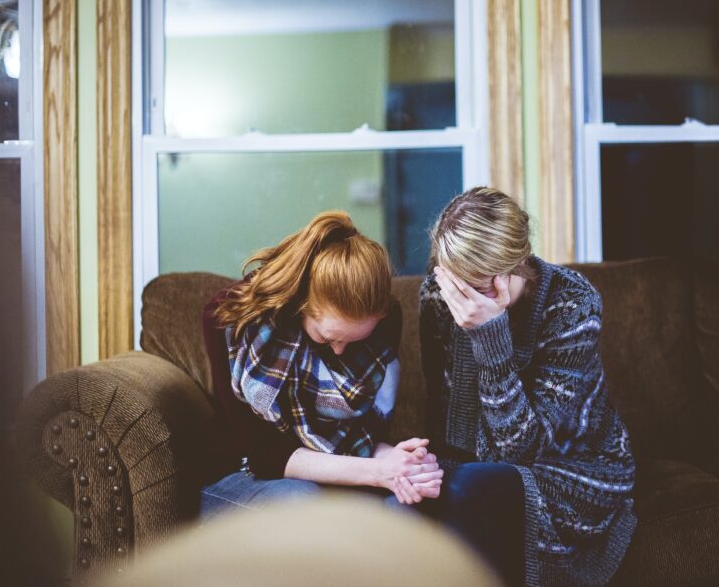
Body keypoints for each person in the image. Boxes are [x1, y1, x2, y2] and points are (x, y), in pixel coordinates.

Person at [419, 187, 637, 587]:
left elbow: (519, 451)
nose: (462, 302)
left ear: (516, 266)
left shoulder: (572, 304)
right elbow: (445, 415)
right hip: (476, 467)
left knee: (473, 488)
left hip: (574, 467)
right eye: (455, 284)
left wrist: (491, 336)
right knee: (420, 495)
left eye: (477, 287)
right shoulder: (438, 296)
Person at [201, 211, 442, 515]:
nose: (340, 351)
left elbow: (363, 440)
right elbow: (264, 455)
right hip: (243, 474)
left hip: (334, 473)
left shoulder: (384, 324)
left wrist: (403, 463)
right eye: (328, 338)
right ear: (301, 304)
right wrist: (380, 473)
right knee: (305, 503)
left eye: (353, 341)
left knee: (406, 508)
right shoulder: (228, 320)